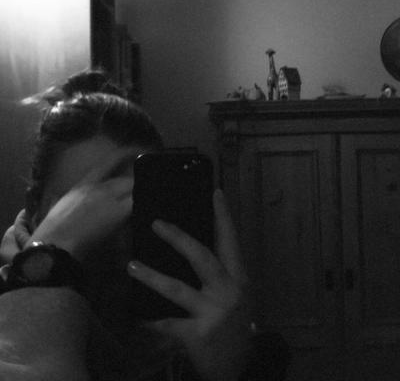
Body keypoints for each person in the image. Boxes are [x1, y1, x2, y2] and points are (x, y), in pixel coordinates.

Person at [0, 70, 290, 380]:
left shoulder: (206, 330)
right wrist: (46, 263)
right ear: (36, 210)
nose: (111, 233)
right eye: (84, 207)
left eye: (130, 208)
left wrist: (236, 369)